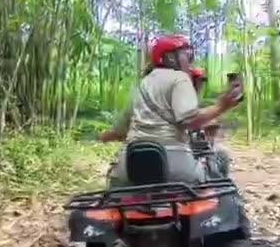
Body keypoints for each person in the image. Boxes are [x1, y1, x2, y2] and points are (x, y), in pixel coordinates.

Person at [99, 34, 242, 185]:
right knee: (212, 171)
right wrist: (221, 106)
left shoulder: (142, 84)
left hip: (131, 162)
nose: (189, 59)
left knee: (115, 183)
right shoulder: (179, 77)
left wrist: (103, 136)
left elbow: (122, 128)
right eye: (185, 54)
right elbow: (189, 119)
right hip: (173, 162)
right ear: (170, 58)